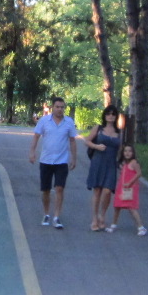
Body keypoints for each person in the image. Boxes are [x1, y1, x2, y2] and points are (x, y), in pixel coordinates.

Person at [27, 96, 78, 229]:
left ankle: (56, 216)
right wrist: (32, 152)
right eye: (57, 107)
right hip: (46, 161)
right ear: (52, 107)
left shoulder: (69, 122)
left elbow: (72, 140)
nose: (60, 109)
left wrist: (74, 158)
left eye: (62, 107)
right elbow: (36, 136)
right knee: (46, 190)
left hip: (61, 161)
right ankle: (46, 214)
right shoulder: (44, 121)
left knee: (59, 188)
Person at [83, 104, 122, 231]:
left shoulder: (119, 132)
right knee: (97, 190)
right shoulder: (98, 128)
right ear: (104, 116)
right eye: (108, 113)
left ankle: (102, 215)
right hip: (98, 162)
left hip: (111, 164)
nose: (111, 116)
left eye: (113, 114)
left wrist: (122, 162)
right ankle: (95, 219)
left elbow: (122, 149)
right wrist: (96, 146)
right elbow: (87, 141)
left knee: (107, 191)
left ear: (116, 116)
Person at [109, 142, 147, 236]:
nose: (127, 153)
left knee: (131, 207)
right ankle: (113, 224)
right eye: (125, 151)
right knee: (117, 206)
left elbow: (139, 173)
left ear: (133, 153)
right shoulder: (123, 163)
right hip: (122, 187)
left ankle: (141, 227)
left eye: (130, 151)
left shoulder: (134, 162)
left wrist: (130, 182)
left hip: (130, 188)